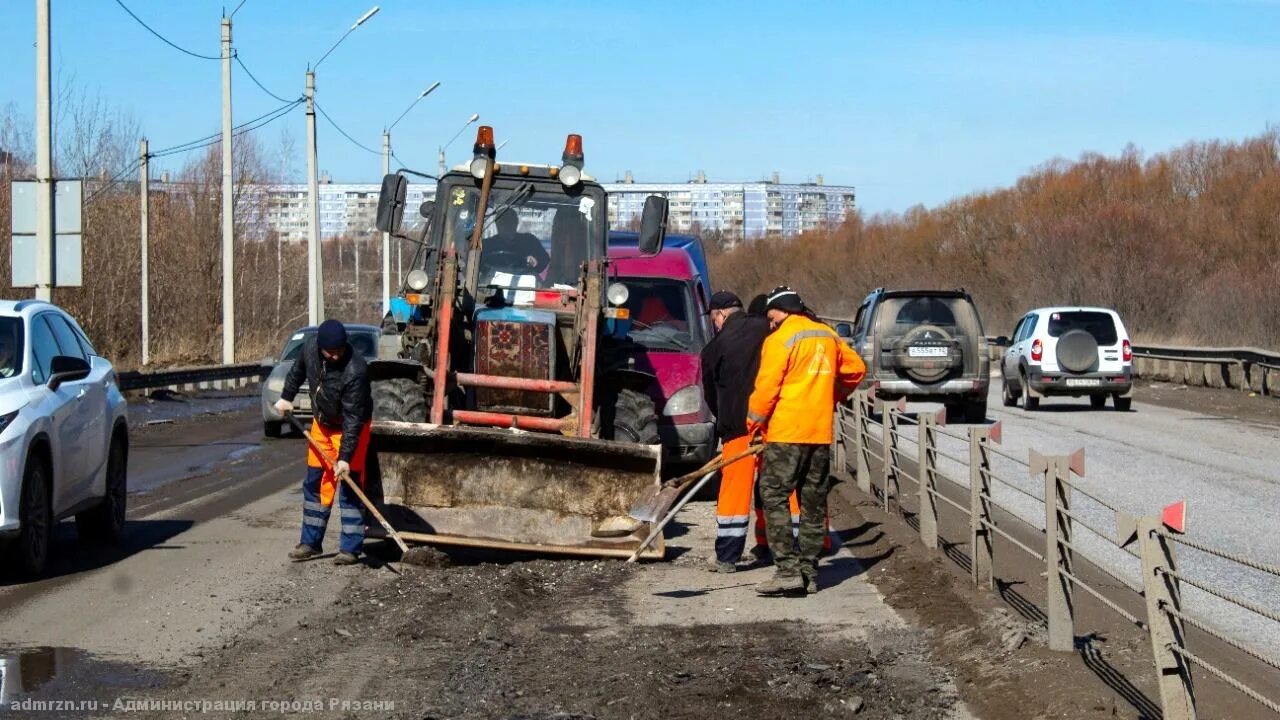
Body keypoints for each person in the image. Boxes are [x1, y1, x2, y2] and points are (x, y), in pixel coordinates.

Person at [747, 286, 866, 595]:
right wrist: (834, 395)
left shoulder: (779, 340)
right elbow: (856, 369)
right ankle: (810, 574)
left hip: (787, 433)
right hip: (819, 433)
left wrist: (753, 424)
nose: (769, 320)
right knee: (813, 502)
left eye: (770, 314)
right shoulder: (828, 335)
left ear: (780, 310)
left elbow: (766, 389)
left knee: (773, 495)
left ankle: (786, 569)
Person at [274, 320, 374, 566]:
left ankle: (350, 549)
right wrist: (287, 398)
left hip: (352, 429)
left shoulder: (356, 370)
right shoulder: (309, 349)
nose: (336, 355)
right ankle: (310, 542)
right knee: (316, 483)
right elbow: (296, 372)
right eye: (331, 351)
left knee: (349, 488)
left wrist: (345, 458)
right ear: (320, 347)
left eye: (340, 350)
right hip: (322, 424)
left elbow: (353, 419)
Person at [700, 291, 771, 572]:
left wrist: (724, 419)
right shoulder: (768, 329)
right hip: (771, 425)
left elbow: (709, 393)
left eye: (713, 319)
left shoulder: (714, 348)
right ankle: (780, 548)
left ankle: (727, 557)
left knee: (734, 493)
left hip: (737, 428)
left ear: (720, 315)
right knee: (776, 488)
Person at [483, 210, 549, 273]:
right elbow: (478, 265)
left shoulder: (530, 241)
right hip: (489, 283)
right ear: (497, 224)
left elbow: (545, 260)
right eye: (502, 222)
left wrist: (534, 264)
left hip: (525, 282)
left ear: (516, 223)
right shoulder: (487, 245)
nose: (506, 226)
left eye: (510, 222)